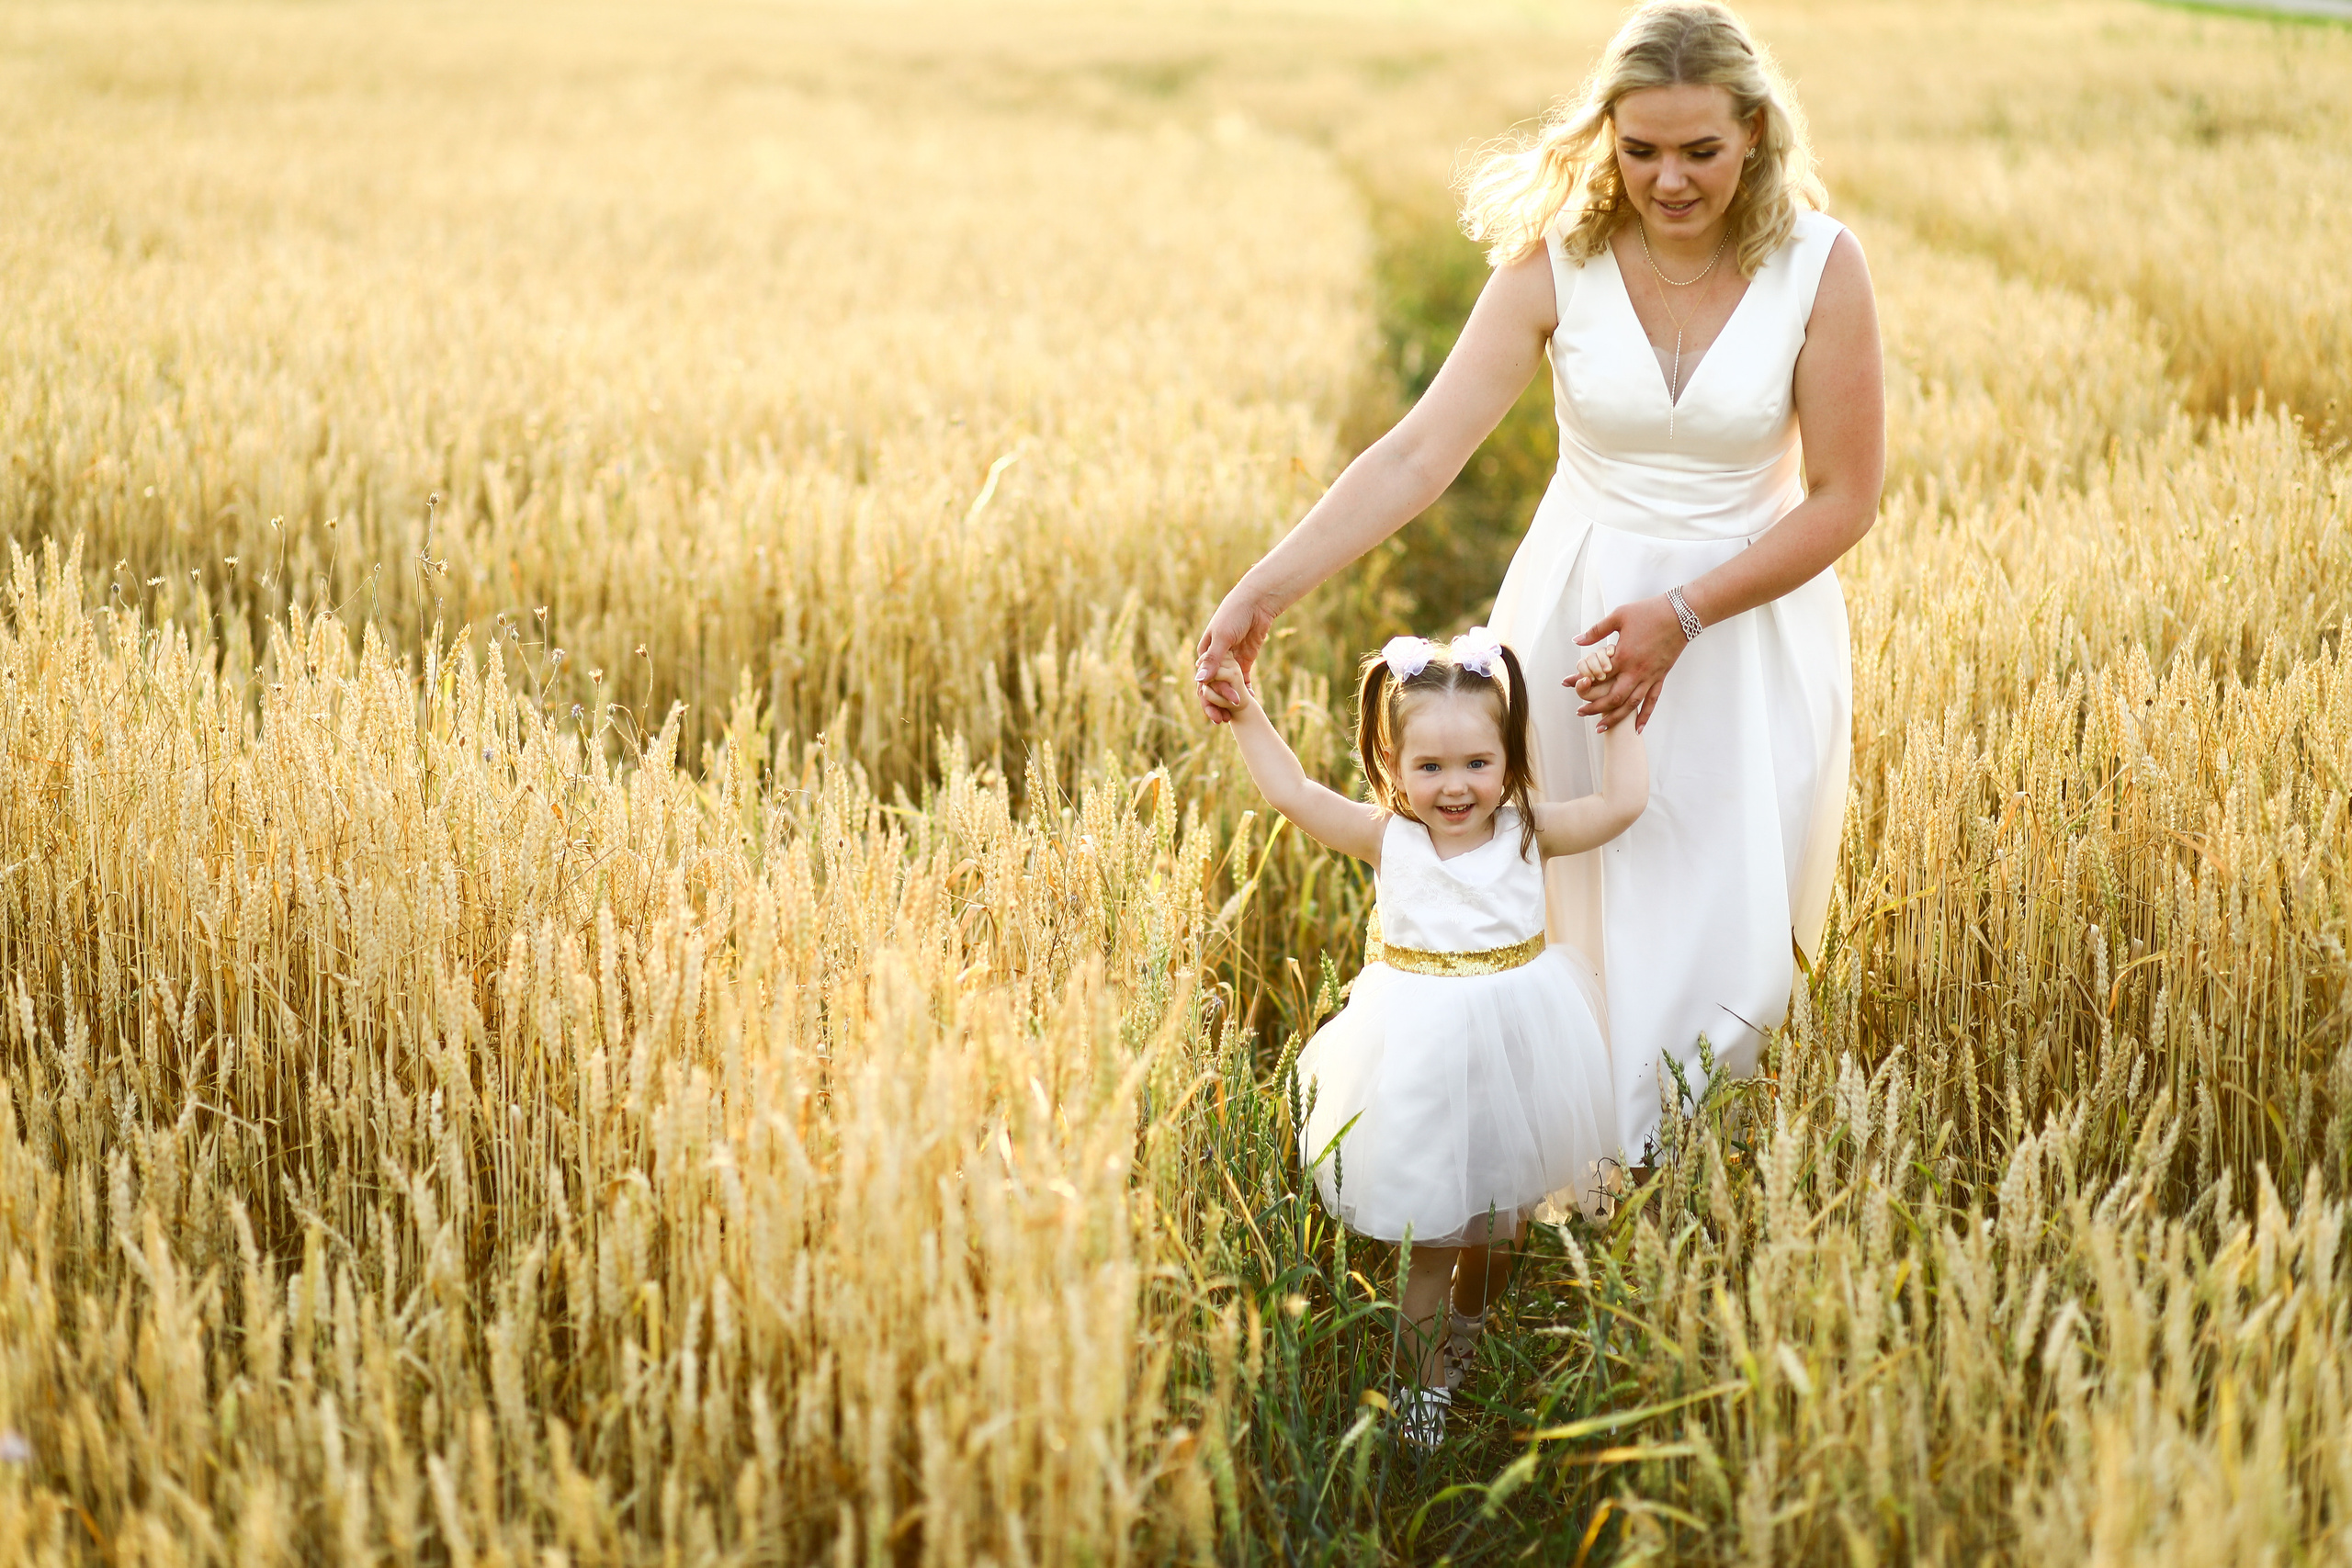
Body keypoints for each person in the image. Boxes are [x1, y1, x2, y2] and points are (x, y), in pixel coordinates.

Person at [1195, 0, 1883, 1156]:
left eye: (1700, 151)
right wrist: (1264, 589)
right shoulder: (1557, 260)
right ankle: (1568, 1171)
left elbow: (1842, 498)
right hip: (1572, 621)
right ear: (1604, 134)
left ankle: (1682, 1202)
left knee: (1727, 925)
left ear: (1756, 133)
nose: (1669, 180)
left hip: (1747, 627)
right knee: (1572, 895)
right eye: (1640, 149)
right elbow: (1419, 452)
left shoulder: (1821, 264)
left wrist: (1682, 615)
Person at [1202, 627, 1646, 1448]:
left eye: (1477, 763)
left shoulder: (1525, 831)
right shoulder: (1389, 838)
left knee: (1504, 1217)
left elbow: (1621, 805)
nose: (1455, 787)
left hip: (1516, 1044)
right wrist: (1243, 714)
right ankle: (1416, 1384)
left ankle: (1467, 1334)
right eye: (1430, 767)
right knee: (1434, 1235)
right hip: (1415, 1052)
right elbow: (1295, 792)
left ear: (1509, 760)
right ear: (1392, 766)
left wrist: (1617, 709)